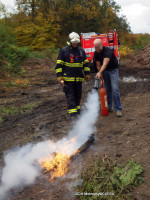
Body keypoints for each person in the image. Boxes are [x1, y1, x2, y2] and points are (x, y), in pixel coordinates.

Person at [55, 32, 90, 118]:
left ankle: (78, 112)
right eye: (73, 42)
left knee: (78, 96)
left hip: (78, 79)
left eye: (76, 43)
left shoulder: (81, 51)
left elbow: (85, 64)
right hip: (68, 80)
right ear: (70, 41)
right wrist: (59, 76)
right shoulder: (64, 51)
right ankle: (73, 115)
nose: (75, 44)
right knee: (71, 97)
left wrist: (87, 74)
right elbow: (59, 65)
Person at [94, 38, 122, 117]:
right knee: (107, 89)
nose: (96, 49)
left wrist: (99, 72)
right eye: (95, 48)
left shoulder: (108, 51)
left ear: (101, 45)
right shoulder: (96, 53)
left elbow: (105, 63)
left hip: (113, 70)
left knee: (115, 89)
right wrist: (101, 78)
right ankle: (108, 107)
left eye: (98, 47)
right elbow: (98, 65)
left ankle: (118, 109)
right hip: (105, 71)